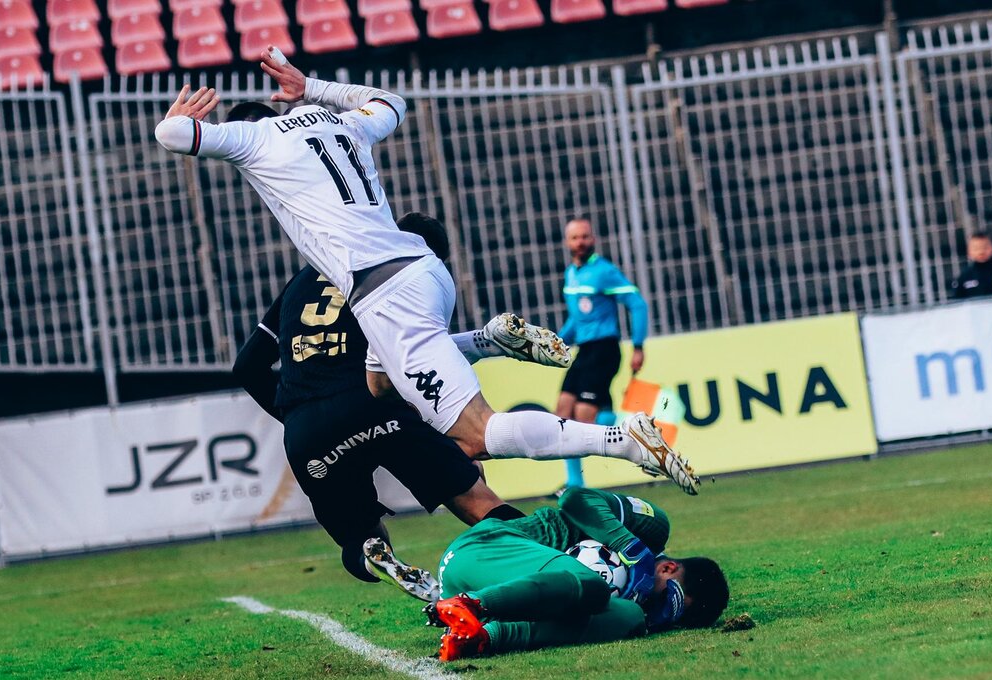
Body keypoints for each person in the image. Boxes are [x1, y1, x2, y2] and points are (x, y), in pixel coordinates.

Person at [153, 54, 698, 496]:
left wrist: (179, 118)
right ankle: (486, 341)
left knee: (478, 434)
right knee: (379, 385)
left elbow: (172, 134)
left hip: (384, 293)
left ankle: (622, 439)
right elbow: (392, 101)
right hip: (420, 268)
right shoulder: (340, 122)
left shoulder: (254, 140)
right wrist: (311, 86)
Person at [233, 209, 529, 601]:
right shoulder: (406, 274)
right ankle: (555, 563)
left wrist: (295, 415)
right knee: (477, 499)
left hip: (307, 430)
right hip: (374, 405)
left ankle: (376, 557)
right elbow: (415, 365)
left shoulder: (305, 276)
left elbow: (247, 367)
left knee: (359, 538)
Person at [424, 487, 729, 661]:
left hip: (497, 584)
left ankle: (482, 637)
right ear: (668, 567)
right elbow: (573, 498)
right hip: (487, 548)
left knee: (630, 617)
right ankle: (472, 604)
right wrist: (629, 546)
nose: (655, 608)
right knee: (593, 588)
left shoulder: (637, 608)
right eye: (664, 600)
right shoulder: (653, 528)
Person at [555, 218, 651, 487]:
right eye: (575, 238)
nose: (580, 242)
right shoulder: (570, 274)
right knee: (561, 414)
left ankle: (636, 434)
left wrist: (638, 345)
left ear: (593, 239)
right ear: (567, 242)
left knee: (583, 418)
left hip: (604, 349)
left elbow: (638, 304)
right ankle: (574, 483)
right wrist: (557, 343)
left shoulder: (604, 271)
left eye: (585, 236)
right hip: (584, 351)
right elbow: (577, 319)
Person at [950, 231, 992, 299]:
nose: (981, 252)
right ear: (969, 252)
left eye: (985, 247)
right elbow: (957, 300)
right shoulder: (965, 276)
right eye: (976, 248)